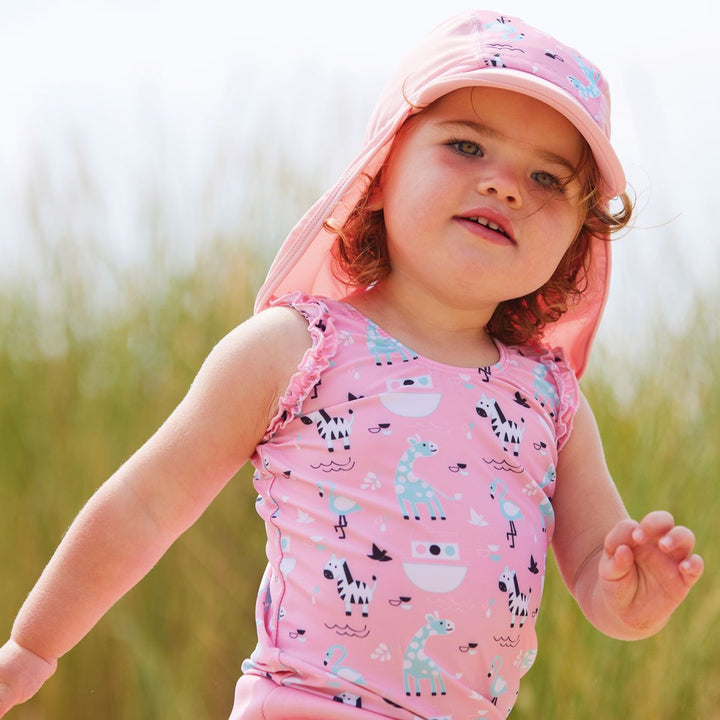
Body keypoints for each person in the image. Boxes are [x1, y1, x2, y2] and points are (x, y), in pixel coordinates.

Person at [0, 10, 704, 720]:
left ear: (578, 243)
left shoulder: (550, 399)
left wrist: (630, 602)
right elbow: (145, 504)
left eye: (549, 178)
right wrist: (34, 645)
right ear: (383, 168)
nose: (507, 186)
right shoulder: (296, 349)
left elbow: (591, 568)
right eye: (466, 145)